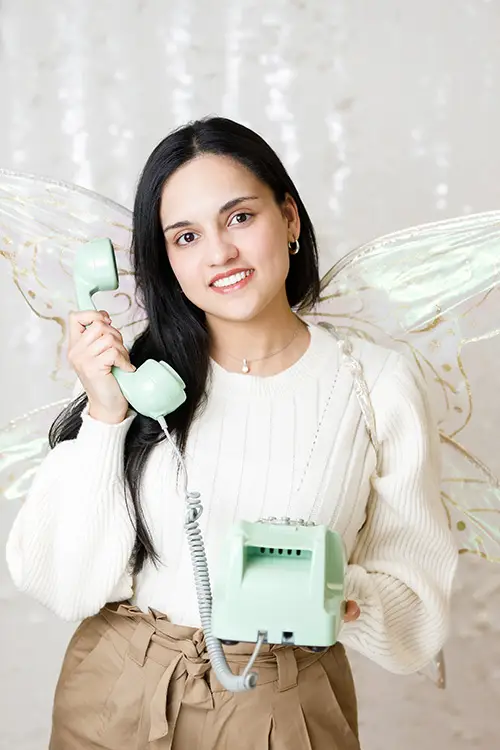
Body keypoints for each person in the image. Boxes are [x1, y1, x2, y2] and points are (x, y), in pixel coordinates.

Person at [6, 116, 457, 750]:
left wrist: (332, 592)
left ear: (290, 219)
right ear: (166, 260)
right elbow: (60, 583)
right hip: (116, 689)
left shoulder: (376, 384)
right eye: (185, 236)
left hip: (277, 696)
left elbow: (417, 611)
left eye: (239, 218)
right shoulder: (141, 381)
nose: (218, 253)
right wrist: (107, 415)